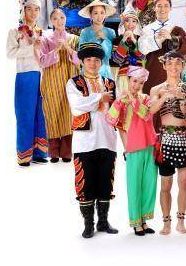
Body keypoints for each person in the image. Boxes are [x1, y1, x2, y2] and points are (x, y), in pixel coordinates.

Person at [66, 42, 118, 238]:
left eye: (96, 60)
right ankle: (88, 224)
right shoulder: (74, 83)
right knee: (85, 183)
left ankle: (103, 222)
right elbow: (76, 106)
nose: (92, 63)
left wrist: (95, 101)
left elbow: (117, 110)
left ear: (101, 62)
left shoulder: (110, 83)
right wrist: (99, 98)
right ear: (82, 61)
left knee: (106, 182)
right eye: (88, 59)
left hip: (108, 139)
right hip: (84, 142)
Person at [149, 51, 186, 235]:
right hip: (166, 139)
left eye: (178, 63)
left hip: (184, 138)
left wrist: (182, 98)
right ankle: (166, 222)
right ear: (164, 66)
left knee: (183, 183)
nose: (174, 67)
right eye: (170, 63)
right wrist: (165, 97)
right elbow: (151, 110)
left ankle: (181, 221)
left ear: (183, 65)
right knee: (165, 185)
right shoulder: (156, 89)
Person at [107, 66, 158, 236]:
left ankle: (144, 220)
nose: (137, 85)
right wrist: (120, 102)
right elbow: (110, 119)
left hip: (150, 145)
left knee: (149, 184)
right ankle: (136, 222)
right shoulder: (121, 100)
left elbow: (147, 115)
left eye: (141, 83)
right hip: (133, 147)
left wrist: (133, 101)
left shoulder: (146, 98)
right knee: (134, 185)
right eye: (134, 81)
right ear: (128, 80)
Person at [7, 0, 48, 166]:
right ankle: (24, 154)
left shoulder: (42, 32)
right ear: (23, 10)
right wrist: (32, 48)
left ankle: (40, 152)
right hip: (25, 75)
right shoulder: (15, 32)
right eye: (29, 9)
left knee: (41, 114)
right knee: (25, 114)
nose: (33, 12)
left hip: (41, 75)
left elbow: (45, 55)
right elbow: (10, 53)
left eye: (36, 9)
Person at [38, 8, 80, 163]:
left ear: (66, 19)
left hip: (69, 81)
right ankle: (53, 152)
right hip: (51, 82)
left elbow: (80, 61)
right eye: (55, 18)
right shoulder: (45, 38)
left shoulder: (74, 39)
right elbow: (42, 61)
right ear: (51, 21)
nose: (59, 21)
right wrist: (56, 49)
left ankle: (67, 152)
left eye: (62, 17)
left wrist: (67, 48)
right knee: (52, 113)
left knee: (68, 114)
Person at [139, 0, 186, 95]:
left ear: (170, 8)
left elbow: (185, 49)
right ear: (154, 8)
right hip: (152, 72)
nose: (163, 9)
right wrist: (158, 39)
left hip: (173, 72)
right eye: (159, 6)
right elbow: (142, 49)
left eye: (166, 6)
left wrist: (171, 38)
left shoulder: (177, 28)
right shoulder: (147, 29)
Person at [78, 0, 117, 79]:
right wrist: (94, 39)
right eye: (96, 13)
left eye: (102, 13)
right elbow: (81, 53)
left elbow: (111, 55)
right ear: (90, 15)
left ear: (105, 14)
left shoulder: (111, 32)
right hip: (88, 70)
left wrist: (105, 39)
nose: (99, 16)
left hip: (105, 70)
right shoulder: (85, 32)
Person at [111, 10, 144, 95]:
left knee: (137, 101)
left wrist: (133, 40)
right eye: (127, 21)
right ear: (123, 23)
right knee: (124, 100)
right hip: (123, 76)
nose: (130, 24)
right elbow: (117, 60)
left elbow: (143, 57)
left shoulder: (140, 39)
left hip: (138, 77)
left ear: (137, 24)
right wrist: (123, 40)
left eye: (134, 21)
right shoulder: (117, 40)